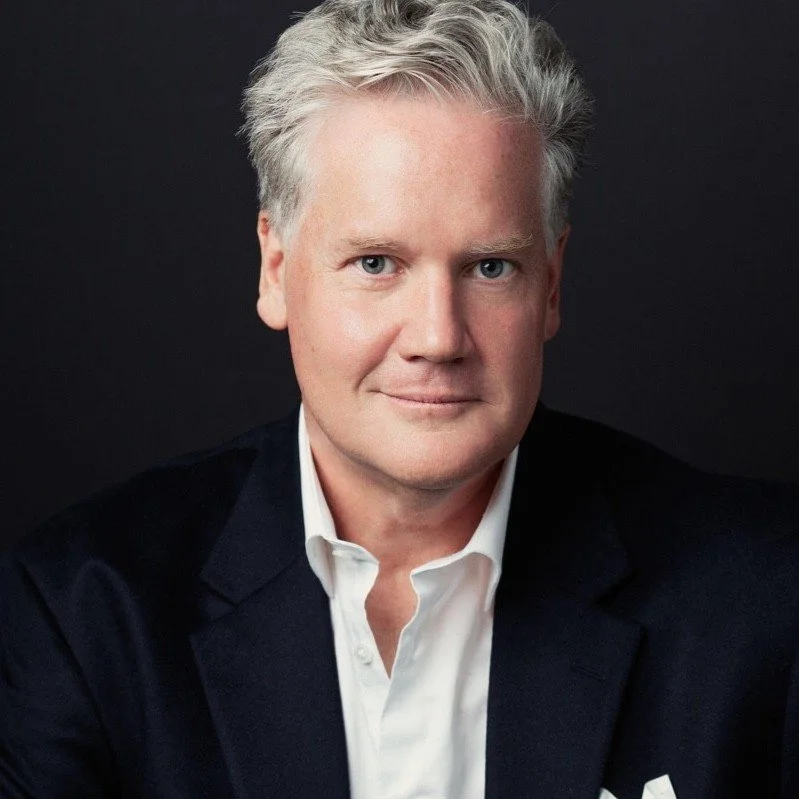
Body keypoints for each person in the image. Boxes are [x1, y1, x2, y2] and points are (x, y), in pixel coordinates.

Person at [1, 1, 797, 797]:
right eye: (376, 263)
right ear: (275, 269)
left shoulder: (762, 602)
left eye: (490, 267)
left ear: (549, 285)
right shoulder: (82, 614)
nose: (437, 337)